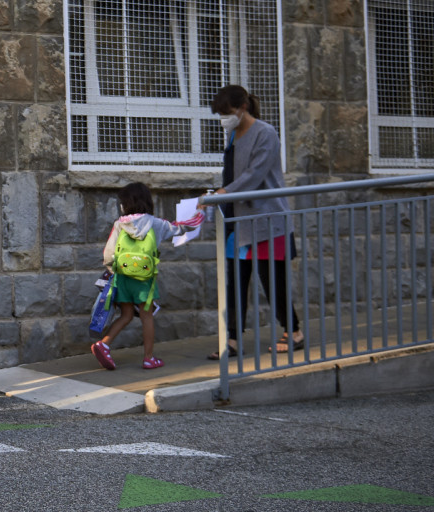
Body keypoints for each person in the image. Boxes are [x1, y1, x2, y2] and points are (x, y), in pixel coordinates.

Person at [206, 85, 303, 360]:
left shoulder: (266, 133)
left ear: (242, 108)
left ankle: (294, 332)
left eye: (227, 113)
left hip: (267, 221)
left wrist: (222, 194)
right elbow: (233, 175)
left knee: (273, 281)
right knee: (236, 283)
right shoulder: (233, 134)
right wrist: (218, 196)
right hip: (239, 221)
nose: (224, 119)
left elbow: (254, 175)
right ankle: (233, 340)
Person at [90, 183, 203, 370]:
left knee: (125, 315)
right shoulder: (157, 223)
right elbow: (181, 228)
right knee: (146, 316)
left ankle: (104, 343)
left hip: (123, 277)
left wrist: (113, 271)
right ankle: (149, 358)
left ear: (125, 204)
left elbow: (108, 254)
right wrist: (200, 214)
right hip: (145, 281)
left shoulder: (119, 224)